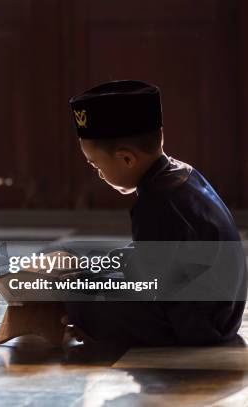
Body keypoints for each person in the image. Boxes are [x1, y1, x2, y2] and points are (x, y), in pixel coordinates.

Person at [63, 80, 246, 345]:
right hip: (220, 313)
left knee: (80, 297)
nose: (99, 175)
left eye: (96, 166)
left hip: (197, 325)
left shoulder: (156, 201)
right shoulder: (180, 173)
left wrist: (92, 285)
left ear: (126, 158)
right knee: (90, 269)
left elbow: (150, 283)